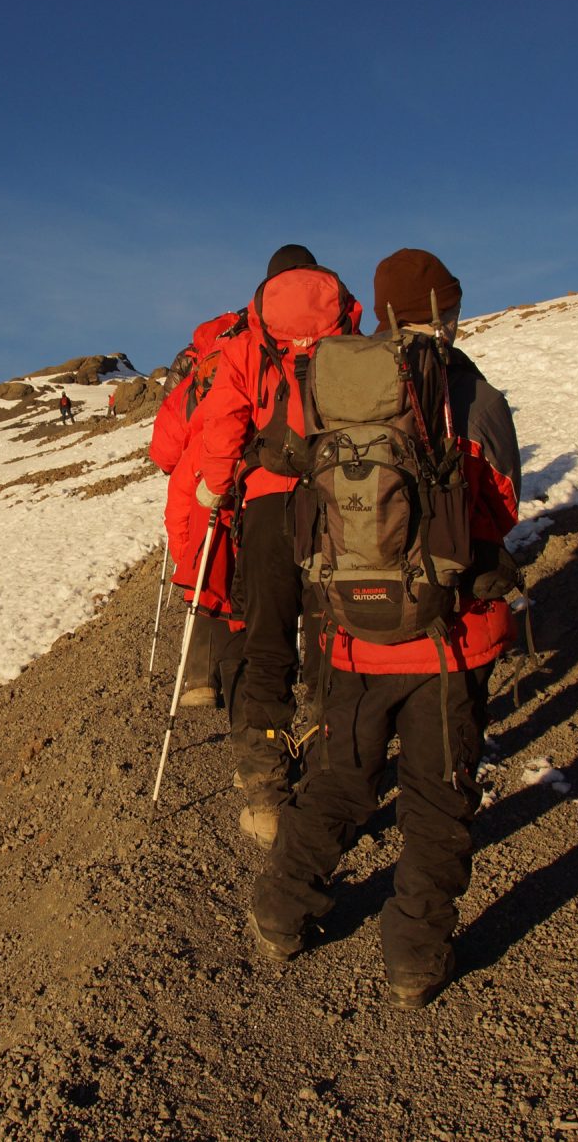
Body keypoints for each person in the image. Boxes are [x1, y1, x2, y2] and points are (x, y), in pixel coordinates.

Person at [248, 249, 520, 1009]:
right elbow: (500, 505)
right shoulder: (465, 391)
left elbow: (288, 468)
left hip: (348, 632)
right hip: (448, 639)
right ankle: (414, 959)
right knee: (437, 800)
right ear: (448, 310)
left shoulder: (327, 386)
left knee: (341, 779)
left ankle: (281, 911)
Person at [193, 244, 357, 846]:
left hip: (266, 500)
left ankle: (266, 790)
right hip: (335, 498)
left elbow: (224, 419)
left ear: (268, 286)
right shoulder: (345, 326)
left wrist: (215, 487)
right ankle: (324, 775)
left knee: (265, 640)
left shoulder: (250, 338)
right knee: (328, 635)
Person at [149, 309, 248, 709]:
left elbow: (164, 451)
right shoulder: (258, 347)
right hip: (265, 460)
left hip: (202, 464)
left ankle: (199, 676)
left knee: (203, 557)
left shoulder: (197, 368)